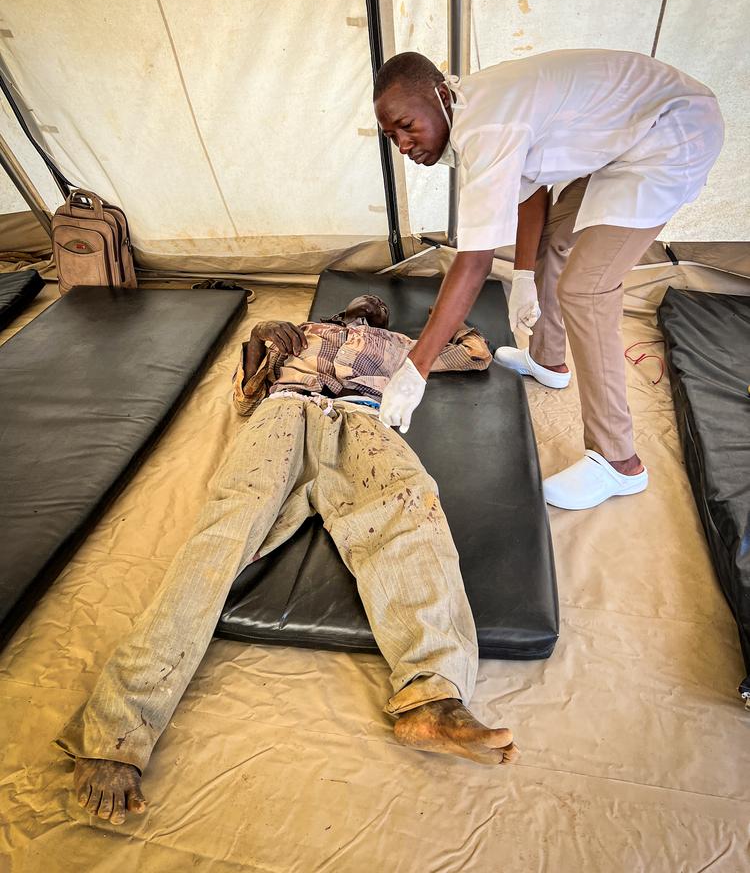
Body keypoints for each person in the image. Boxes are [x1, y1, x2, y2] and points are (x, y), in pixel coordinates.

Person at [56, 293, 518, 826]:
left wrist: (445, 324)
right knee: (222, 537)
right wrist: (260, 340)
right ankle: (117, 730)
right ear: (338, 312)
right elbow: (246, 396)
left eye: (375, 308)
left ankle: (434, 699)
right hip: (283, 413)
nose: (364, 308)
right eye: (357, 305)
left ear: (386, 318)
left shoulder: (401, 346)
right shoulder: (295, 331)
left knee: (412, 509)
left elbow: (476, 354)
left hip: (363, 420)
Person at [374, 50, 724, 509]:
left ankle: (619, 462)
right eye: (390, 135)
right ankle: (549, 359)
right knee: (556, 236)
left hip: (672, 133)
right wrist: (523, 275)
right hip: (630, 136)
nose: (402, 144)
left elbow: (473, 262)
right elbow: (532, 188)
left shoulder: (485, 125)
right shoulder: (467, 109)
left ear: (440, 95)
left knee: (587, 288)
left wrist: (415, 368)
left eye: (406, 125)